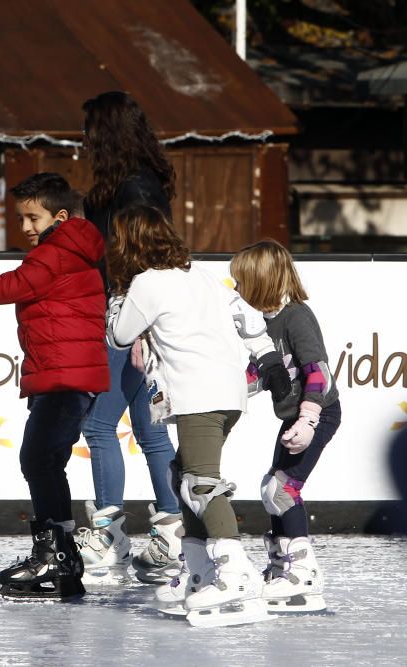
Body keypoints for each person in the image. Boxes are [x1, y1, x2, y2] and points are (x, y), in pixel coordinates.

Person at [106, 205, 289, 627]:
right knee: (182, 476)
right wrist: (268, 361)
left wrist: (118, 294)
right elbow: (246, 315)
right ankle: (199, 570)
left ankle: (234, 573)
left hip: (198, 395)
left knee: (201, 483)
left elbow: (118, 335)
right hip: (227, 394)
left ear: (129, 243)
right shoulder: (201, 275)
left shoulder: (145, 283)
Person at [0, 174, 107, 600]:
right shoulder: (70, 249)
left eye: (33, 217)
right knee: (47, 461)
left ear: (60, 216)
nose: (27, 227)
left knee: (37, 459)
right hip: (66, 375)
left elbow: (7, 288)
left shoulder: (56, 252)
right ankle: (63, 554)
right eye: (22, 218)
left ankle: (56, 553)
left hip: (64, 377)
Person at [76, 91, 182, 585]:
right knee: (151, 431)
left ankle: (110, 533)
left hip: (127, 321)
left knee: (100, 427)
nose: (83, 142)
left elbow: (147, 255)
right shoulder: (133, 184)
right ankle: (171, 531)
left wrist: (138, 328)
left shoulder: (133, 190)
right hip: (131, 317)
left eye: (89, 132)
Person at [230, 239, 340, 613]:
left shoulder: (296, 316)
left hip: (319, 412)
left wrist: (309, 417)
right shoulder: (264, 322)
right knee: (271, 488)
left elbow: (318, 372)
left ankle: (302, 573)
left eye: (241, 282)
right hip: (296, 415)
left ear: (261, 280)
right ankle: (282, 565)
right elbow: (259, 375)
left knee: (283, 490)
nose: (237, 291)